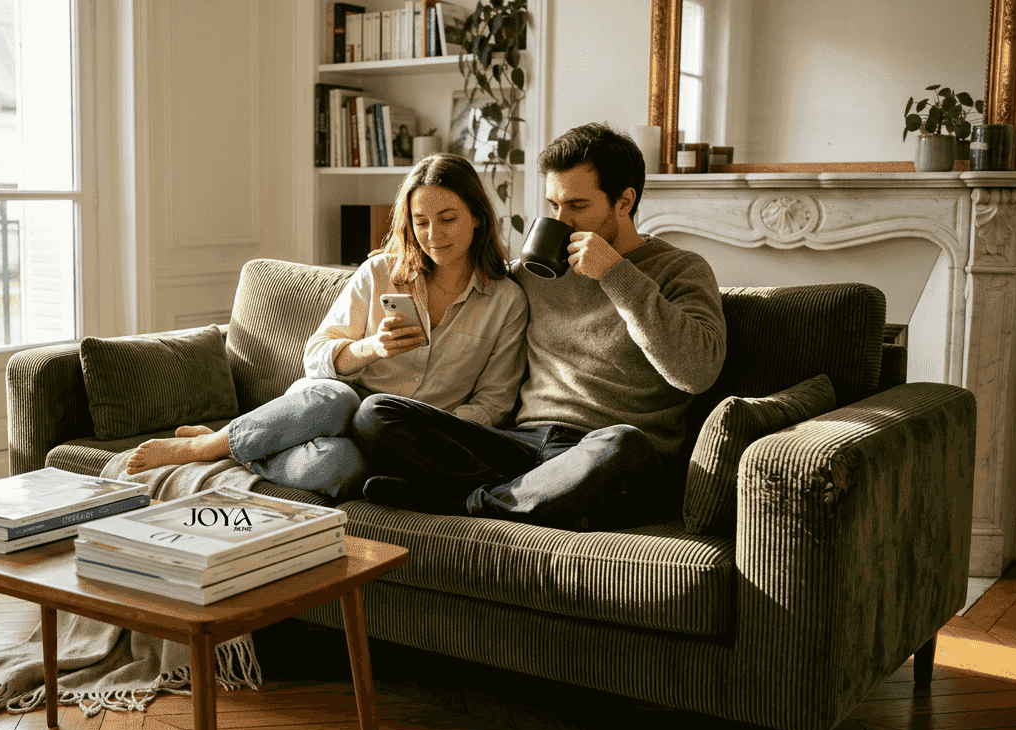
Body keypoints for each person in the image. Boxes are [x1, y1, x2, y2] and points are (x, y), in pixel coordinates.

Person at [353, 123, 727, 531]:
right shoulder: (538, 270)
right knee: (376, 414)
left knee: (624, 444)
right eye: (554, 206)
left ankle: (468, 504)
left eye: (578, 206)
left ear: (625, 201)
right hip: (523, 442)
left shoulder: (680, 270)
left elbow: (697, 372)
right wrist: (400, 263)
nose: (561, 221)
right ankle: (522, 497)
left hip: (604, 453)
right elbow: (468, 279)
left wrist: (616, 274)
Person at [124, 153, 529, 499]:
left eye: (447, 219)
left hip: (398, 435)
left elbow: (494, 404)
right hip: (331, 405)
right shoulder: (379, 273)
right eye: (420, 222)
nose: (432, 235)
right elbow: (316, 357)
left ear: (477, 217)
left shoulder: (506, 302)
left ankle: (242, 445)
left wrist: (423, 435)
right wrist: (373, 348)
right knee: (337, 402)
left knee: (335, 469)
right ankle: (207, 445)